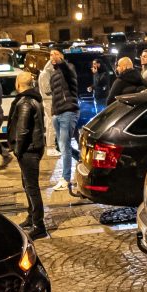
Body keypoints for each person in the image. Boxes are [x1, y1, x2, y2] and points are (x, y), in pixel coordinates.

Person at [7, 71, 47, 239]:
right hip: (33, 148)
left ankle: (39, 225)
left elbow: (22, 130)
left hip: (28, 149)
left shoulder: (24, 102)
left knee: (32, 187)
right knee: (27, 185)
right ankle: (31, 217)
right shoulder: (35, 99)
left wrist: (17, 149)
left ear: (18, 84)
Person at [49, 49, 79, 191]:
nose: (52, 56)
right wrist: (53, 112)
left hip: (68, 111)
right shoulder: (53, 74)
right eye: (50, 55)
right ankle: (82, 159)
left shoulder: (69, 68)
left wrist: (60, 61)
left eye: (55, 54)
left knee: (64, 146)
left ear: (61, 56)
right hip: (57, 113)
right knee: (60, 145)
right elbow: (54, 95)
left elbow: (66, 69)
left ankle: (65, 179)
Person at [39, 59, 57, 156]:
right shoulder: (45, 74)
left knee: (51, 123)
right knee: (51, 124)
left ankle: (52, 145)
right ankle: (50, 147)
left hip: (50, 100)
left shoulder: (47, 73)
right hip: (48, 101)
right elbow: (47, 89)